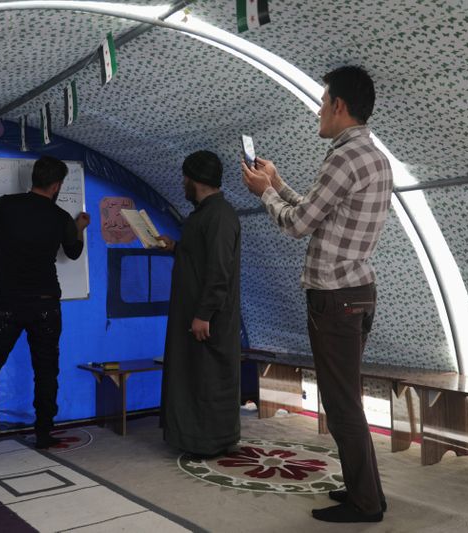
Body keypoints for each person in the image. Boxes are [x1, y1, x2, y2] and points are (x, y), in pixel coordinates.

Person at [241, 65, 393, 523]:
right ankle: (366, 493)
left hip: (335, 297)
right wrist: (279, 182)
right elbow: (319, 211)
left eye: (323, 102)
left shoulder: (343, 157)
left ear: (339, 106)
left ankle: (367, 503)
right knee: (345, 397)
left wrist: (264, 194)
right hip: (358, 290)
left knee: (342, 401)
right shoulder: (373, 155)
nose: (319, 111)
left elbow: (297, 224)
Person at [0, 155, 90, 458]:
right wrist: (80, 227)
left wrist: (0, 245)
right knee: (46, 371)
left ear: (35, 179)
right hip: (45, 305)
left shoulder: (5, 204)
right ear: (56, 185)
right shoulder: (60, 218)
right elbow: (74, 252)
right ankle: (43, 434)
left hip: (8, 304)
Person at [157, 150, 242, 457]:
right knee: (192, 376)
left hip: (209, 318)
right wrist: (175, 247)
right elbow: (199, 257)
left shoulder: (220, 215)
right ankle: (190, 438)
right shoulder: (203, 213)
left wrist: (204, 314)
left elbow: (219, 269)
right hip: (191, 312)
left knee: (208, 379)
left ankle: (211, 442)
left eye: (185, 179)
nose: (183, 185)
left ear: (197, 181)